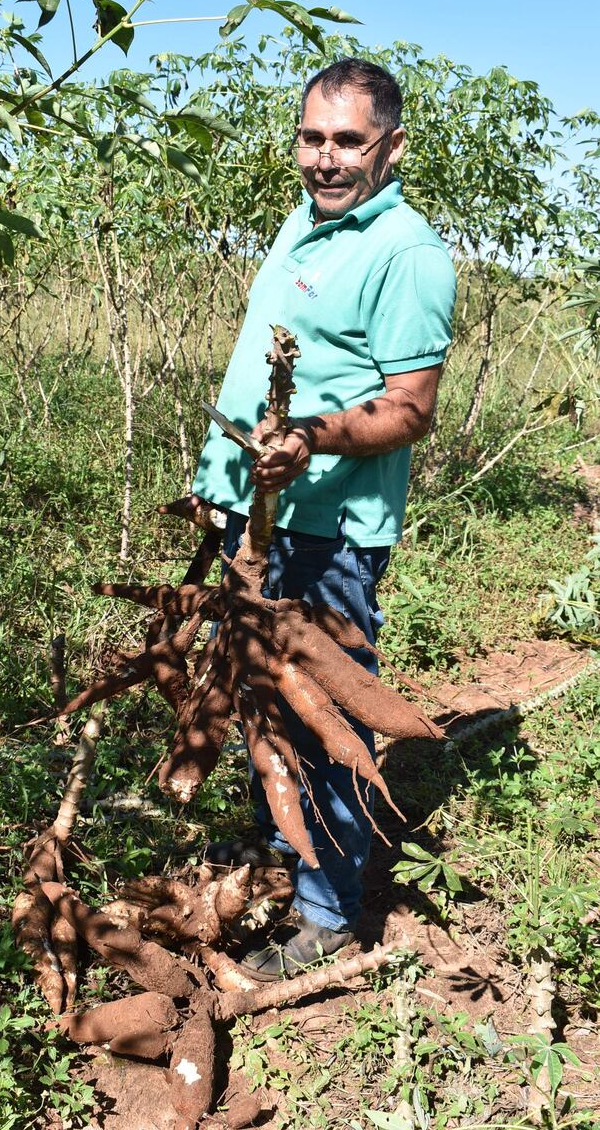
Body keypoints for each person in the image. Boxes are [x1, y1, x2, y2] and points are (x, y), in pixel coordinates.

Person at [189, 58, 456, 979]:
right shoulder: (302, 223)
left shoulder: (407, 252)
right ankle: (283, 855)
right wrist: (219, 481)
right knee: (262, 696)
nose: (328, 158)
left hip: (329, 532)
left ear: (392, 146)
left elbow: (410, 408)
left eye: (349, 140)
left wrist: (313, 438)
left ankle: (331, 910)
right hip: (257, 520)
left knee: (327, 714)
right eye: (313, 138)